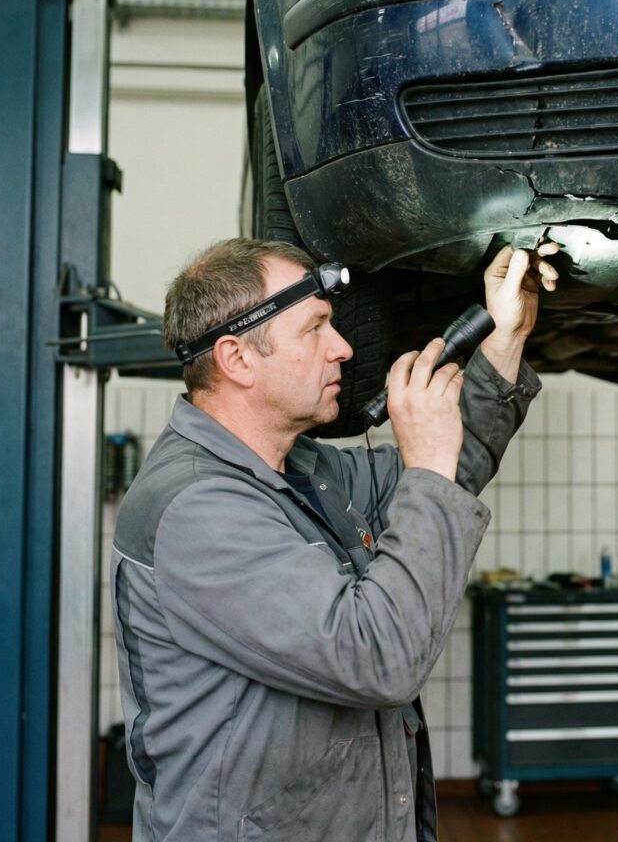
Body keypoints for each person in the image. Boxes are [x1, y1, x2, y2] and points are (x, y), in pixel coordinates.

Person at [111, 236, 558, 842]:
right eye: (316, 328)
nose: (344, 347)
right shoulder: (198, 509)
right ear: (237, 358)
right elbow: (377, 657)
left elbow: (448, 471)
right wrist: (425, 465)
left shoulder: (304, 469)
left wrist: (505, 337)